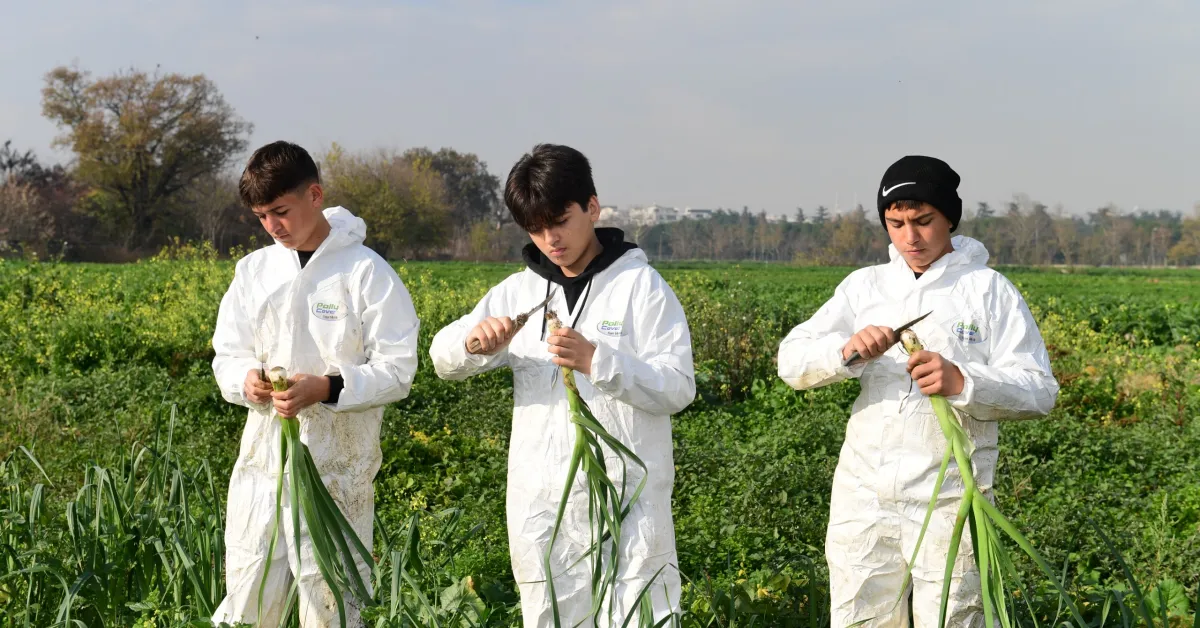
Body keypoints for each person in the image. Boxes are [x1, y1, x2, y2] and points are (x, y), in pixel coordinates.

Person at [777, 155, 1059, 627]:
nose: (910, 237)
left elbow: (1038, 390)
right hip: (864, 492)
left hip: (951, 492)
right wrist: (847, 352)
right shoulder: (864, 287)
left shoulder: (988, 291)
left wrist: (964, 382)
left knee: (953, 614)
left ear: (950, 217)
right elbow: (791, 360)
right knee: (859, 614)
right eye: (896, 223)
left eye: (924, 221)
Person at [429, 143, 695, 626]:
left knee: (638, 614)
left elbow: (678, 387)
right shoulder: (518, 292)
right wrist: (472, 343)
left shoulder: (640, 288)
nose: (550, 238)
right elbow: (442, 358)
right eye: (535, 227)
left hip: (627, 500)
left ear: (592, 207)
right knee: (551, 613)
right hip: (542, 507)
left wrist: (599, 361)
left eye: (560, 221)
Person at [210, 141, 420, 627]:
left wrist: (326, 388)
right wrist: (248, 381)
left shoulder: (365, 272)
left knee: (332, 602)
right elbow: (228, 352)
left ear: (315, 195)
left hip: (337, 468)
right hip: (264, 463)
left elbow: (398, 369)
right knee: (248, 593)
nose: (271, 227)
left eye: (280, 211)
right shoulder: (254, 273)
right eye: (261, 216)